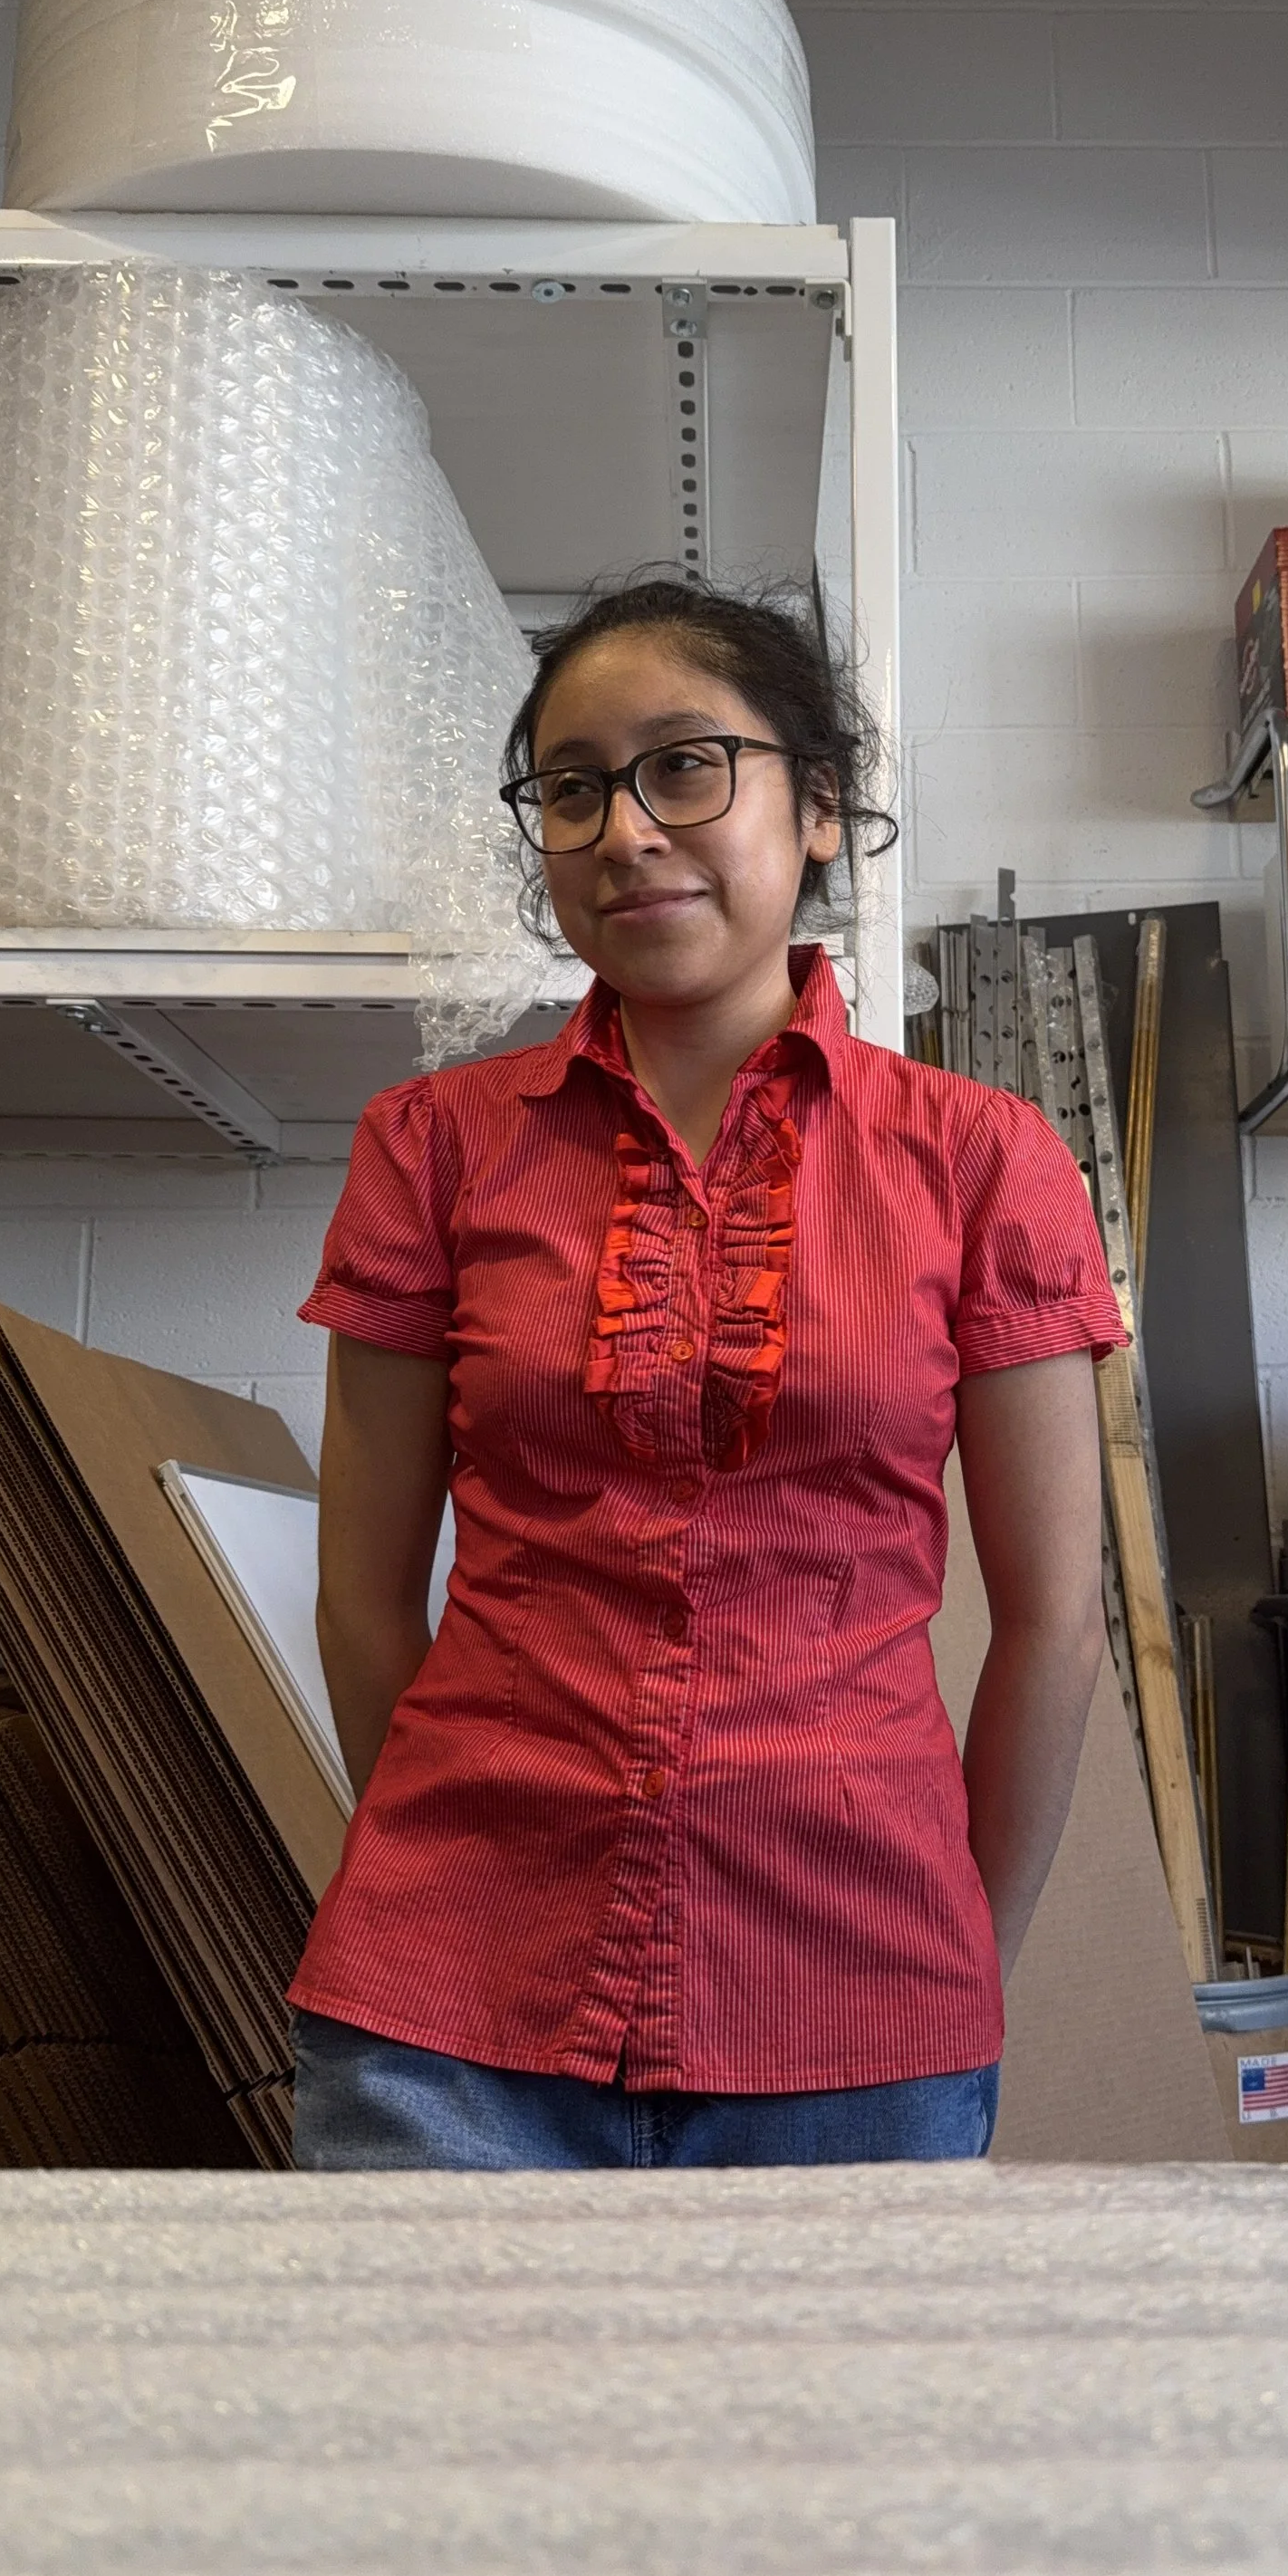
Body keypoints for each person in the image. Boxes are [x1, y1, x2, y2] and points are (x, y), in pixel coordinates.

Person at [290, 576, 1124, 2170]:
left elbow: (1055, 1627)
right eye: (573, 786)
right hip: (448, 2021)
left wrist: (964, 1956)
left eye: (684, 765)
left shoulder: (980, 1162)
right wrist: (433, 1874)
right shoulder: (433, 1149)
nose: (624, 829)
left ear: (816, 807)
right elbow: (363, 1601)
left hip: (860, 2012)